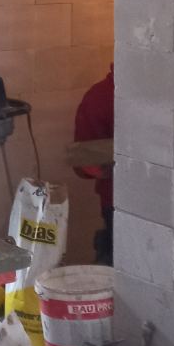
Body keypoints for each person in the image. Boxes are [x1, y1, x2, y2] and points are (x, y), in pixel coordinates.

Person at [73, 63, 114, 265]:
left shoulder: (100, 95)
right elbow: (84, 163)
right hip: (118, 204)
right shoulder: (101, 97)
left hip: (117, 202)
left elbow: (84, 165)